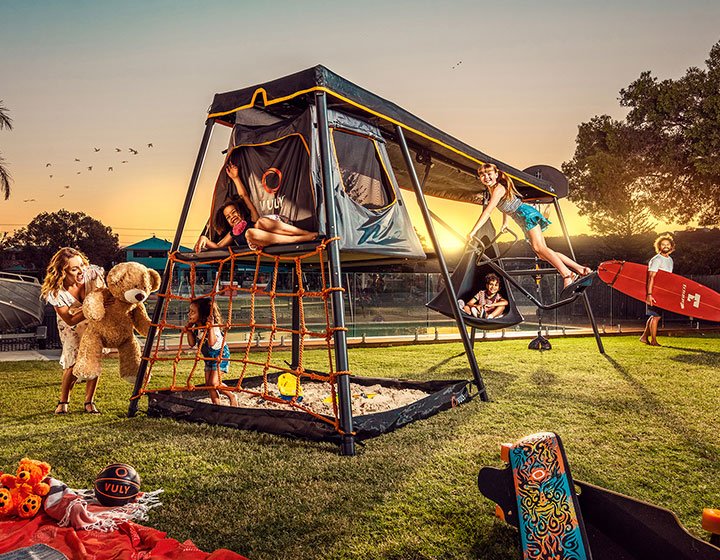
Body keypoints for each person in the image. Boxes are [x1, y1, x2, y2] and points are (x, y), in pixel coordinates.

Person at [469, 163, 591, 289]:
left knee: (539, 248)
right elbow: (506, 205)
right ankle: (580, 269)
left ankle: (567, 274)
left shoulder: (498, 189)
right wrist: (505, 223)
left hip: (525, 215)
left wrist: (473, 231)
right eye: (482, 175)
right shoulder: (494, 189)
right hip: (521, 217)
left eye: (489, 174)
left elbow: (488, 211)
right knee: (543, 253)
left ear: (496, 174)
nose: (486, 177)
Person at [194, 160, 318, 252]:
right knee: (250, 233)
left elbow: (244, 196)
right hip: (263, 241)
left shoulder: (251, 220)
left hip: (279, 230)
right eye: (228, 217)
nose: (232, 217)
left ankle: (305, 233)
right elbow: (219, 246)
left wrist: (236, 178)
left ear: (241, 212)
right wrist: (204, 239)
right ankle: (301, 239)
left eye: (234, 212)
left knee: (260, 222)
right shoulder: (233, 233)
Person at [40, 247, 106, 414]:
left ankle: (89, 402)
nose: (81, 271)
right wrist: (92, 307)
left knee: (94, 358)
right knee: (73, 362)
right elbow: (69, 319)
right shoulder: (56, 292)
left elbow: (105, 294)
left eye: (82, 265)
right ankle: (63, 402)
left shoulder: (91, 275)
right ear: (63, 271)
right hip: (70, 327)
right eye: (74, 269)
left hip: (93, 322)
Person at [184, 297, 238, 407]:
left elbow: (212, 343)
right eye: (189, 311)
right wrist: (188, 331)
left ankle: (232, 396)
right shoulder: (196, 327)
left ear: (202, 314)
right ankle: (216, 406)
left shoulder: (213, 327)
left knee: (214, 383)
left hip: (220, 356)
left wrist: (210, 328)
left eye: (193, 312)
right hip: (209, 359)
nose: (189, 314)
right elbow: (191, 343)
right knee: (209, 385)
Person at [640, 234, 675, 346]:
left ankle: (644, 337)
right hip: (654, 292)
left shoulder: (670, 260)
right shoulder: (656, 259)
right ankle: (653, 340)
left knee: (655, 316)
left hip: (662, 292)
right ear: (659, 246)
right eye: (663, 244)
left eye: (667, 244)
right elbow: (651, 277)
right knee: (656, 316)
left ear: (671, 247)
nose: (665, 246)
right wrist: (649, 294)